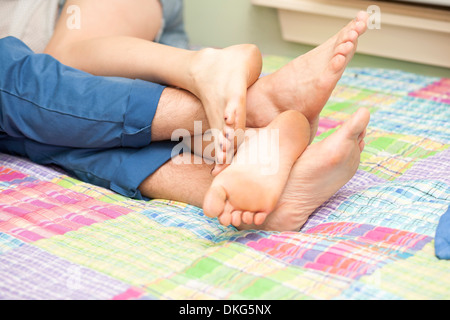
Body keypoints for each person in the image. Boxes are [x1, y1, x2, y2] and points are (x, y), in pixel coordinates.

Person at [0, 0, 370, 231]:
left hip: (115, 39)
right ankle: (257, 164)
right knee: (50, 120)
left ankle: (226, 87)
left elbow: (63, 66)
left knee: (49, 85)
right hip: (108, 90)